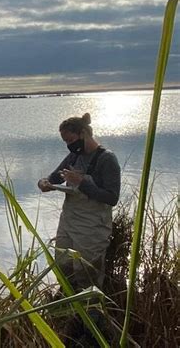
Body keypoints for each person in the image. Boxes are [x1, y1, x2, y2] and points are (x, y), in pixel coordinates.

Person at [38, 113, 121, 291]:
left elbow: (112, 198)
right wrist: (44, 183)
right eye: (66, 142)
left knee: (87, 275)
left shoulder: (106, 159)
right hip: (68, 223)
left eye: (71, 140)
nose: (69, 145)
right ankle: (66, 310)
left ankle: (92, 314)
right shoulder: (74, 157)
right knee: (63, 268)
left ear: (83, 133)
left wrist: (81, 182)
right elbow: (54, 177)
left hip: (92, 228)